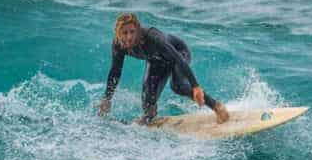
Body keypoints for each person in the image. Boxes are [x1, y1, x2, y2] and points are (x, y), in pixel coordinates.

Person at [98, 12, 230, 125]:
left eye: (132, 31)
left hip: (178, 53)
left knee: (178, 86)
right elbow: (115, 71)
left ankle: (217, 107)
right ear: (118, 33)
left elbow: (177, 58)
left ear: (138, 29)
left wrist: (195, 86)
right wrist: (107, 98)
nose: (129, 37)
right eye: (125, 33)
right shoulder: (118, 44)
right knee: (147, 101)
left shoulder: (152, 36)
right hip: (155, 60)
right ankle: (151, 118)